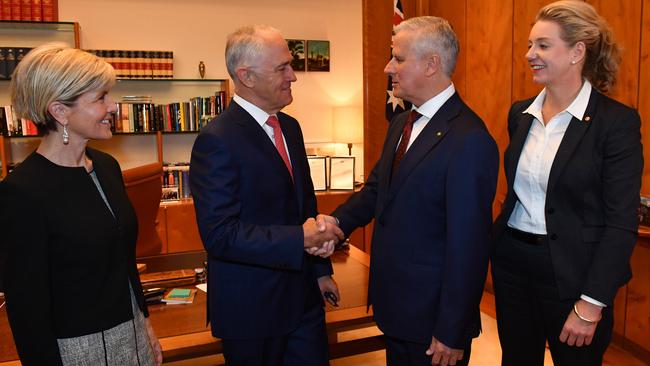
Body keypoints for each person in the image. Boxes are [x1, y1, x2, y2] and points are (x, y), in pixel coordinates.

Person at [320, 16, 499, 366]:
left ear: (431, 64)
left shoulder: (470, 139)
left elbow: (469, 247)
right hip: (398, 309)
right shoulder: (403, 122)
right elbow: (376, 191)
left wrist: (452, 329)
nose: (389, 67)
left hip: (433, 322)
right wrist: (335, 223)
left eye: (398, 58)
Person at [490, 1, 644, 365]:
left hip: (575, 274)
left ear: (577, 51)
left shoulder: (615, 123)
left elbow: (621, 222)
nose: (530, 54)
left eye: (543, 45)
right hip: (513, 265)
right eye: (530, 45)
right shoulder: (520, 113)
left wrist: (591, 304)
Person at [189, 25, 344, 366]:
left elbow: (305, 207)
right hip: (252, 311)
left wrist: (320, 271)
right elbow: (220, 235)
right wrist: (299, 239)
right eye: (282, 68)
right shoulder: (217, 140)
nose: (294, 76)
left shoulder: (290, 127)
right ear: (246, 76)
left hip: (304, 300)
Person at [0, 43, 162, 365]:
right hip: (75, 351)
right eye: (101, 98)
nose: (114, 106)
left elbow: (124, 263)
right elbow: (26, 309)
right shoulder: (21, 192)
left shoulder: (107, 167)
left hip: (132, 337)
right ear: (60, 111)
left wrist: (145, 323)